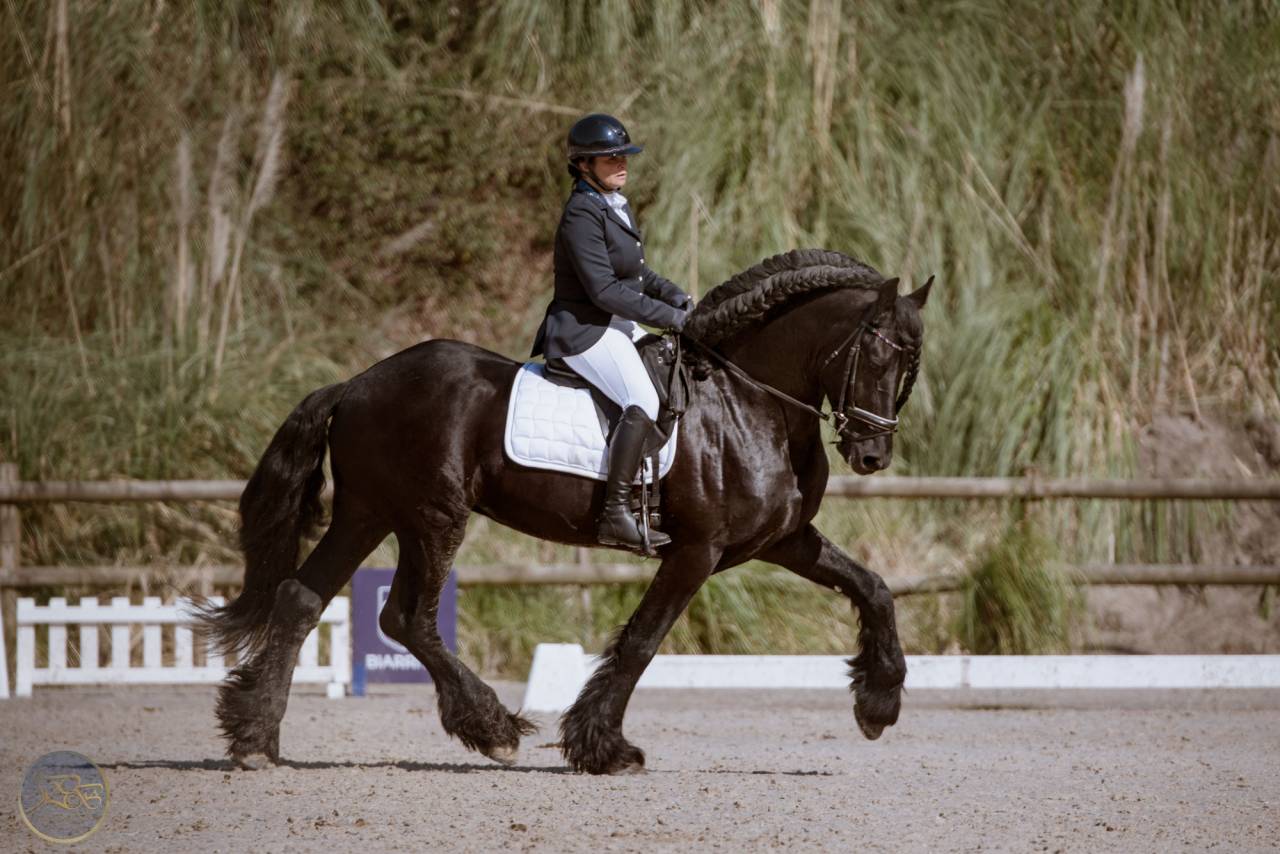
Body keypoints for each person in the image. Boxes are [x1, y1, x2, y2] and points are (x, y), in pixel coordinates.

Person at [530, 113, 691, 552]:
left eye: (624, 155)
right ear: (583, 165)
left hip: (617, 325)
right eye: (610, 158)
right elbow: (604, 290)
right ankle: (615, 514)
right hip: (584, 330)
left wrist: (678, 297)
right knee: (642, 398)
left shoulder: (612, 202)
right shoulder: (581, 213)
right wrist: (668, 317)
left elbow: (636, 274)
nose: (622, 163)